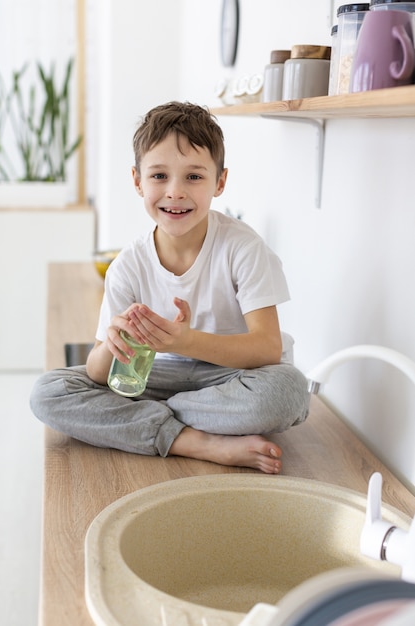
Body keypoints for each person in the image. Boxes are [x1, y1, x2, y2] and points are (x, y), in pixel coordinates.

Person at [30, 101, 309, 474]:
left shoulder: (243, 248)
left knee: (289, 390)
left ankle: (148, 424)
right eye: (159, 176)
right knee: (49, 393)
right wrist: (112, 346)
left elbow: (267, 347)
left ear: (219, 182)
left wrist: (183, 341)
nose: (174, 192)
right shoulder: (128, 266)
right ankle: (197, 442)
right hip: (157, 377)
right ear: (137, 180)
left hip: (231, 378)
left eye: (193, 177)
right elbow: (98, 373)